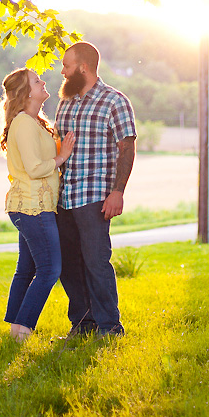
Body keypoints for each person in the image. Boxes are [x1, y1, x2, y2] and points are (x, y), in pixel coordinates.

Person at [55, 41, 136, 337]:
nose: (62, 72)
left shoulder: (115, 101)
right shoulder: (65, 102)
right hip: (63, 198)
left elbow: (127, 148)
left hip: (94, 197)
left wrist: (118, 192)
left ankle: (109, 326)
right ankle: (83, 324)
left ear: (83, 67)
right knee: (67, 263)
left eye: (66, 66)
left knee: (96, 262)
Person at [0, 67, 75, 342]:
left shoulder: (34, 122)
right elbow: (34, 168)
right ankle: (23, 328)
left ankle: (15, 330)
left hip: (32, 205)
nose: (43, 82)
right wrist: (61, 157)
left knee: (27, 270)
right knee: (50, 270)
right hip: (33, 207)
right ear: (25, 92)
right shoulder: (23, 123)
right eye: (36, 81)